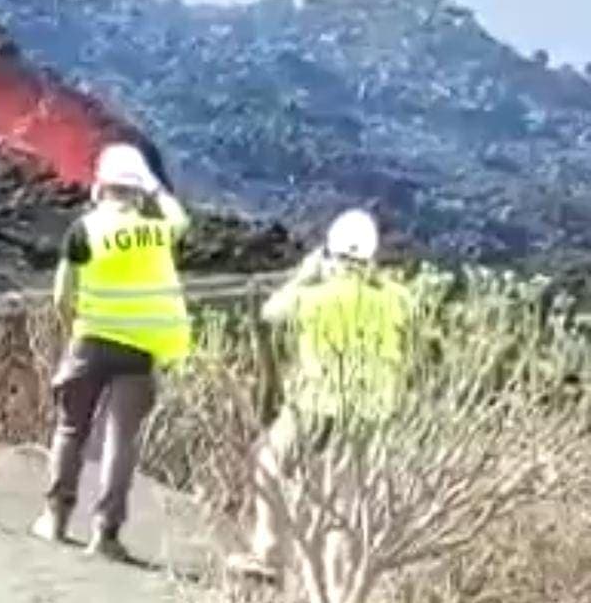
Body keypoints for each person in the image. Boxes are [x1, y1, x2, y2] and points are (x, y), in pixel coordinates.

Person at [225, 208, 413, 585]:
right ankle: (334, 587)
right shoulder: (393, 299)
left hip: (314, 403)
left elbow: (271, 312)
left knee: (269, 462)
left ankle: (269, 555)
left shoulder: (314, 297)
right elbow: (408, 308)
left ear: (331, 253)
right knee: (344, 503)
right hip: (370, 409)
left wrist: (303, 275)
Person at [30, 142, 192, 561]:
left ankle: (55, 518)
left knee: (71, 430)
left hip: (91, 341)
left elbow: (61, 294)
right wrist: (155, 187)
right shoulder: (157, 231)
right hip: (140, 351)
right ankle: (105, 535)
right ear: (138, 192)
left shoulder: (85, 230)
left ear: (99, 188)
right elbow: (179, 217)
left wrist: (72, 329)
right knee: (120, 441)